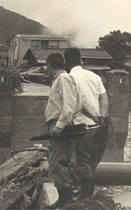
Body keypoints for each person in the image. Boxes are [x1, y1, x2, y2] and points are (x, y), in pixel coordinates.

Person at [64, 48, 109, 200]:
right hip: (98, 125)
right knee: (93, 160)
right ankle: (85, 191)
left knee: (82, 161)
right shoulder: (94, 76)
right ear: (81, 60)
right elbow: (104, 98)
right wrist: (101, 116)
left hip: (80, 126)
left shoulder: (69, 78)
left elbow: (73, 103)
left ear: (66, 62)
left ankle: (86, 194)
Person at [44, 53, 82, 209]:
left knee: (56, 163)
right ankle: (65, 199)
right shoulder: (61, 79)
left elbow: (69, 106)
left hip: (61, 126)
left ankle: (66, 200)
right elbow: (76, 105)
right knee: (59, 162)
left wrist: (60, 125)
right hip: (59, 124)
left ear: (49, 66)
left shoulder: (63, 79)